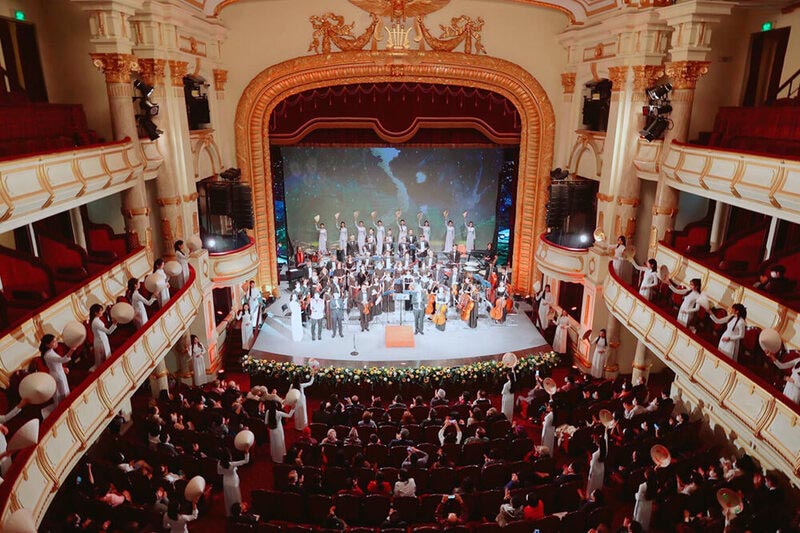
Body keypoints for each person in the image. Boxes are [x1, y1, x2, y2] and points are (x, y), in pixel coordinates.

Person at [40, 334, 75, 408]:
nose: (56, 343)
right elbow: (62, 360)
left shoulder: (51, 351)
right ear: (47, 345)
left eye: (56, 341)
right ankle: (62, 408)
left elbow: (55, 364)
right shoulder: (48, 355)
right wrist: (71, 350)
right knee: (61, 393)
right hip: (57, 376)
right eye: (54, 342)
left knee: (65, 391)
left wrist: (62, 368)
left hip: (59, 373)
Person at [217, 448, 250, 516]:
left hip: (225, 482)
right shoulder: (232, 464)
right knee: (236, 498)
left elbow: (219, 473)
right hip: (233, 482)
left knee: (228, 498)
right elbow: (246, 461)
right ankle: (238, 512)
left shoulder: (219, 464)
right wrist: (246, 452)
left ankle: (230, 513)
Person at [266, 397, 295, 462]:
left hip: (271, 430)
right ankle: (279, 458)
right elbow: (289, 415)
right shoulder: (278, 413)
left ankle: (274, 457)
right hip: (278, 429)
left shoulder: (268, 412)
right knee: (279, 442)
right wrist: (293, 409)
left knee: (273, 443)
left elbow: (266, 422)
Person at [90, 303, 117, 370]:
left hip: (102, 340)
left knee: (105, 357)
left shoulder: (97, 320)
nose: (102, 312)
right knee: (103, 360)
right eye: (100, 310)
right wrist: (114, 324)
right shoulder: (96, 322)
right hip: (100, 342)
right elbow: (108, 331)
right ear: (96, 313)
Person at [586, 432, 607, 496]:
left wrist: (590, 458)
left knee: (592, 485)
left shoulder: (595, 454)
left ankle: (590, 496)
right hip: (601, 471)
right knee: (598, 484)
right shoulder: (604, 452)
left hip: (595, 473)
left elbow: (592, 466)